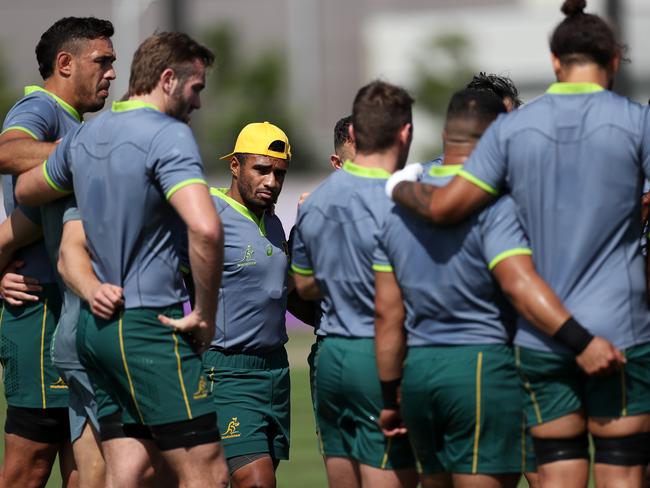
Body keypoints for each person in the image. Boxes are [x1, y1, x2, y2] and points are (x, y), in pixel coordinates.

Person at [386, 0, 650, 485]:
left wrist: (397, 185)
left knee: (556, 473)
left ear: (555, 62)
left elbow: (446, 207)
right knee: (624, 474)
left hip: (541, 334)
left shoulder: (510, 131)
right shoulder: (638, 123)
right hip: (622, 328)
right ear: (613, 61)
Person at [14, 31, 229, 488]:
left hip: (94, 328)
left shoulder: (87, 135)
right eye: (197, 88)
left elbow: (27, 188)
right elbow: (206, 228)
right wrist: (205, 315)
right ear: (168, 80)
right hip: (150, 323)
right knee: (207, 470)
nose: (199, 102)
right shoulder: (169, 135)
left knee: (128, 468)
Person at [375, 88, 612, 488]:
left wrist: (389, 395)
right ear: (498, 138)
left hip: (418, 375)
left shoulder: (398, 210)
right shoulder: (496, 205)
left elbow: (388, 314)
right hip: (481, 369)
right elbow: (518, 284)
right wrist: (581, 341)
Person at [0, 17, 115, 488]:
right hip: (41, 308)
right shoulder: (40, 106)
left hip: (71, 308)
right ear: (65, 64)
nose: (111, 72)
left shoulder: (75, 124)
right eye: (102, 61)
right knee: (30, 465)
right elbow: (7, 151)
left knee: (88, 463)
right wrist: (85, 155)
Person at [292, 80, 417, 488]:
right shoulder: (400, 201)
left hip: (329, 356)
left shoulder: (315, 203)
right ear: (405, 133)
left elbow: (305, 287)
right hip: (375, 351)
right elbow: (396, 301)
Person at [201, 121, 295, 488]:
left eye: (280, 173)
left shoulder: (273, 223)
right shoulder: (208, 212)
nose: (271, 181)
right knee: (257, 482)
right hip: (227, 372)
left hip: (276, 373)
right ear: (235, 166)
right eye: (261, 169)